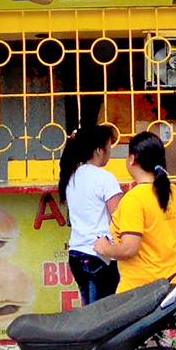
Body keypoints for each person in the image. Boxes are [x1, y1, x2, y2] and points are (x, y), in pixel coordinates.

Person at [93, 132, 176, 293]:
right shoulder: (174, 191)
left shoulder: (134, 199)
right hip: (174, 282)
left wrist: (104, 248)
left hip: (142, 291)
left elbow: (129, 249)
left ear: (132, 159)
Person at [58, 126, 123, 305]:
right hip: (100, 255)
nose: (110, 152)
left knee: (90, 312)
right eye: (109, 147)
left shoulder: (71, 177)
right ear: (99, 151)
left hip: (76, 254)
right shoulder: (105, 178)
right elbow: (119, 219)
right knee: (104, 314)